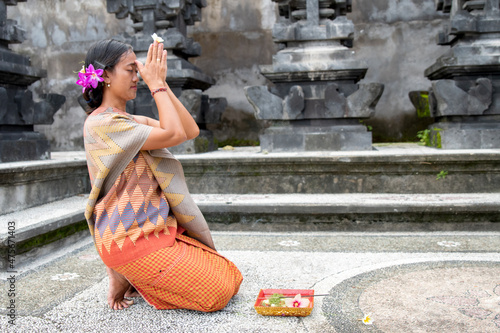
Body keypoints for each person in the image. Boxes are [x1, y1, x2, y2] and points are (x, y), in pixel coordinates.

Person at [79, 38, 243, 311]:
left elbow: (189, 131)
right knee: (217, 293)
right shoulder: (102, 123)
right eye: (130, 69)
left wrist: (162, 84)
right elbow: (174, 134)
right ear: (105, 74)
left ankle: (134, 276)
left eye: (138, 70)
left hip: (155, 231)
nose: (138, 76)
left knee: (230, 273)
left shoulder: (128, 121)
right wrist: (155, 86)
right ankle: (130, 274)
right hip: (128, 239)